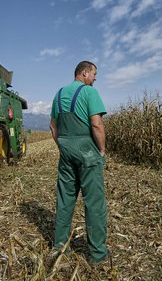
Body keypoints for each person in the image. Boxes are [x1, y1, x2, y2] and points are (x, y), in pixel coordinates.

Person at [49, 60, 108, 264]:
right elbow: (97, 124)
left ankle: (59, 247)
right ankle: (98, 255)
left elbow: (53, 127)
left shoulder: (58, 94)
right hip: (87, 151)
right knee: (94, 203)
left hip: (66, 150)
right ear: (84, 73)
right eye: (94, 74)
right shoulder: (89, 92)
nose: (95, 78)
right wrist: (101, 150)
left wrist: (63, 146)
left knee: (65, 200)